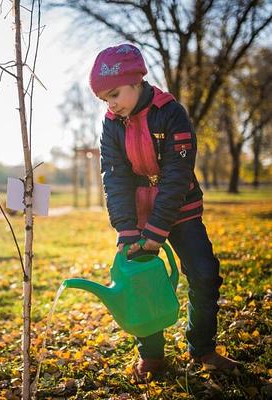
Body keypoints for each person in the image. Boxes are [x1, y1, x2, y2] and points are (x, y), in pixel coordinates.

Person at [88, 43, 240, 382]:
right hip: (138, 214)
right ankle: (152, 355)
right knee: (142, 282)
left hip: (180, 208)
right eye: (104, 99)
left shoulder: (171, 112)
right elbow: (114, 176)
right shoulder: (112, 124)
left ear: (137, 80)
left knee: (203, 273)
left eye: (114, 94)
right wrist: (128, 230)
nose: (110, 104)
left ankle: (202, 348)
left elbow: (177, 174)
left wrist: (158, 231)